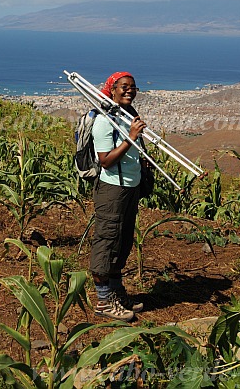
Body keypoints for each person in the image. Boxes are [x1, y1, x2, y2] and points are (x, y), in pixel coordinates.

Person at [90, 72, 146, 321]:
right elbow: (106, 161)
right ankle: (103, 301)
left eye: (132, 87)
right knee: (107, 239)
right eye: (124, 87)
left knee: (122, 240)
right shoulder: (104, 121)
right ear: (112, 90)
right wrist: (131, 137)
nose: (129, 90)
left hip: (129, 188)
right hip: (112, 189)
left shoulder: (128, 116)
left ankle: (116, 293)